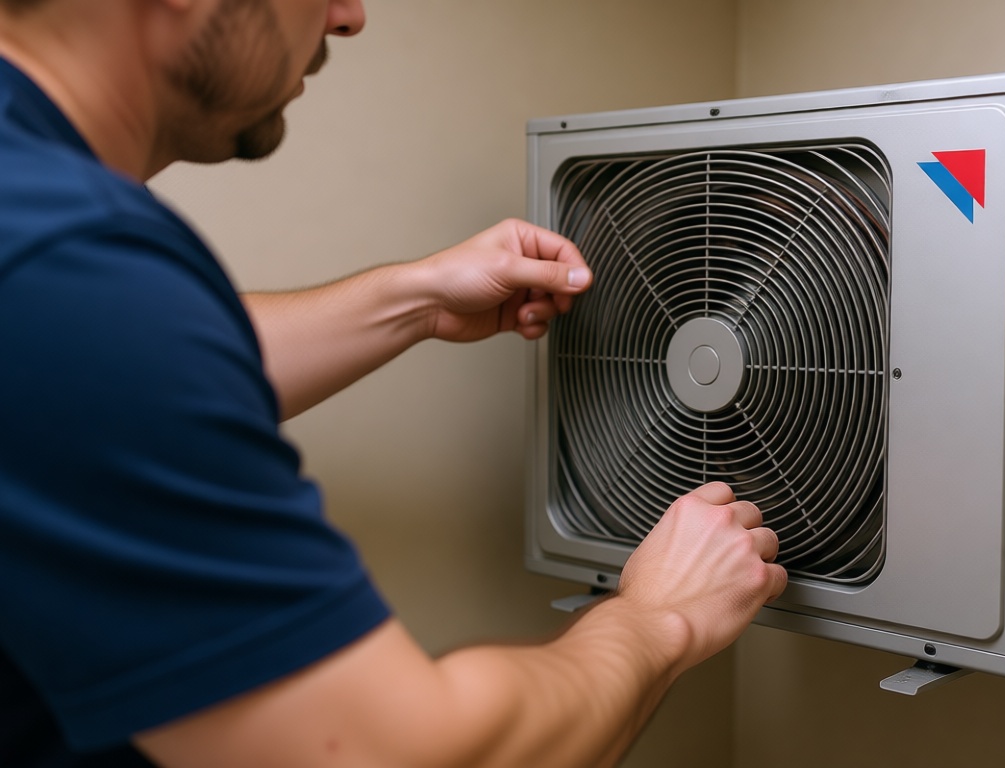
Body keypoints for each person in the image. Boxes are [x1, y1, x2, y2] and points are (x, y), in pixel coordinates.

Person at [0, 1, 789, 766]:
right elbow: (407, 756)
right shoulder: (69, 268)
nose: (349, 15)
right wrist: (660, 621)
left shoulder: (40, 239)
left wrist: (412, 299)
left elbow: (103, 382)